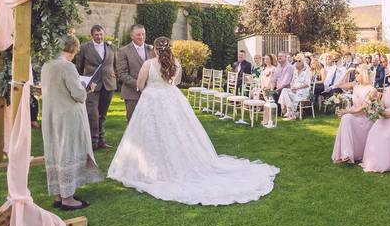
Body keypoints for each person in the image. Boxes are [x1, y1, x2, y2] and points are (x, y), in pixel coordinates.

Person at [107, 37, 279, 204]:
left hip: (151, 99)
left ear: (155, 49)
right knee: (177, 130)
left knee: (151, 132)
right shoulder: (176, 63)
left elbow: (140, 83)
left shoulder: (148, 64)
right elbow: (177, 82)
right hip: (171, 98)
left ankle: (146, 168)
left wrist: (150, 88)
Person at [41, 36, 104, 210]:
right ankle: (68, 198)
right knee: (67, 151)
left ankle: (58, 194)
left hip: (51, 114)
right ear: (75, 48)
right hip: (67, 116)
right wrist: (88, 88)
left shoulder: (47, 64)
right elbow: (78, 94)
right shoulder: (67, 66)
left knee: (55, 150)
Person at [74, 24, 119, 150]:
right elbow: (79, 67)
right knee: (92, 114)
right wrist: (81, 83)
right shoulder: (84, 48)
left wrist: (114, 77)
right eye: (96, 35)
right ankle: (92, 142)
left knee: (102, 114)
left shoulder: (111, 47)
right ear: (92, 35)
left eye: (101, 34)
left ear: (104, 34)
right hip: (91, 86)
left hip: (108, 84)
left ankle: (101, 141)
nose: (99, 37)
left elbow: (115, 65)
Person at [332, 66, 379, 164]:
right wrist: (348, 71)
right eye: (355, 73)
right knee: (346, 118)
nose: (355, 75)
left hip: (364, 118)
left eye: (358, 73)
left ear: (364, 74)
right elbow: (338, 84)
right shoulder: (355, 85)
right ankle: (346, 154)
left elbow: (363, 107)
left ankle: (347, 154)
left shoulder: (372, 89)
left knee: (346, 117)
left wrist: (347, 111)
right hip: (353, 114)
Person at [117, 24, 155, 122]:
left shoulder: (151, 49)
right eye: (138, 35)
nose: (141, 37)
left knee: (149, 122)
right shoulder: (123, 51)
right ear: (132, 36)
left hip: (151, 94)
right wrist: (140, 85)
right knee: (133, 123)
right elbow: (122, 74)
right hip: (132, 94)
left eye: (143, 34)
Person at [279, 55, 312, 120]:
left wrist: (297, 88)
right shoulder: (295, 71)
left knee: (290, 94)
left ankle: (289, 112)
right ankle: (291, 112)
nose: (297, 62)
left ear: (303, 62)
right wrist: (292, 88)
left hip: (303, 90)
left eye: (299, 61)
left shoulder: (307, 71)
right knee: (284, 90)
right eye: (296, 61)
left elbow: (307, 84)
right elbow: (292, 82)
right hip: (294, 89)